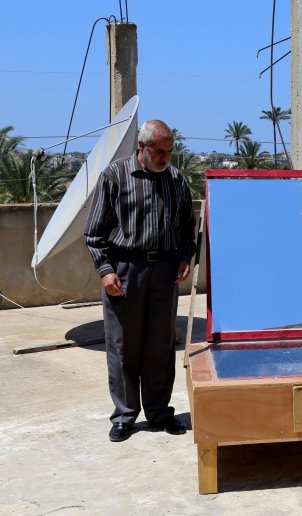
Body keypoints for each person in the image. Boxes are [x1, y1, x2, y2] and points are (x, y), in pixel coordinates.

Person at [84, 119, 196, 442]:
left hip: (164, 272)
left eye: (170, 151)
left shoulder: (177, 180)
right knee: (124, 345)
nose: (165, 158)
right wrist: (105, 270)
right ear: (141, 148)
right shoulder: (114, 177)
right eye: (159, 151)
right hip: (125, 271)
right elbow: (93, 233)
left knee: (161, 346)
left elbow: (188, 227)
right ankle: (124, 415)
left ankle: (160, 412)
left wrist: (185, 256)